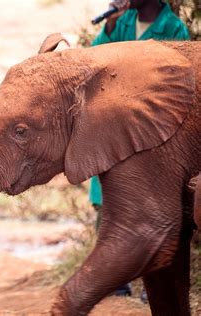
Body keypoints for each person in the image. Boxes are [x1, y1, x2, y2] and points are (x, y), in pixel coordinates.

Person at [89, 0, 190, 303]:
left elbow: (182, 76)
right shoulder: (122, 22)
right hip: (118, 122)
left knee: (153, 206)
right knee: (108, 198)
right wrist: (109, 25)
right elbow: (97, 56)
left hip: (154, 124)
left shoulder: (174, 28)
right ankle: (115, 279)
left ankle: (154, 283)